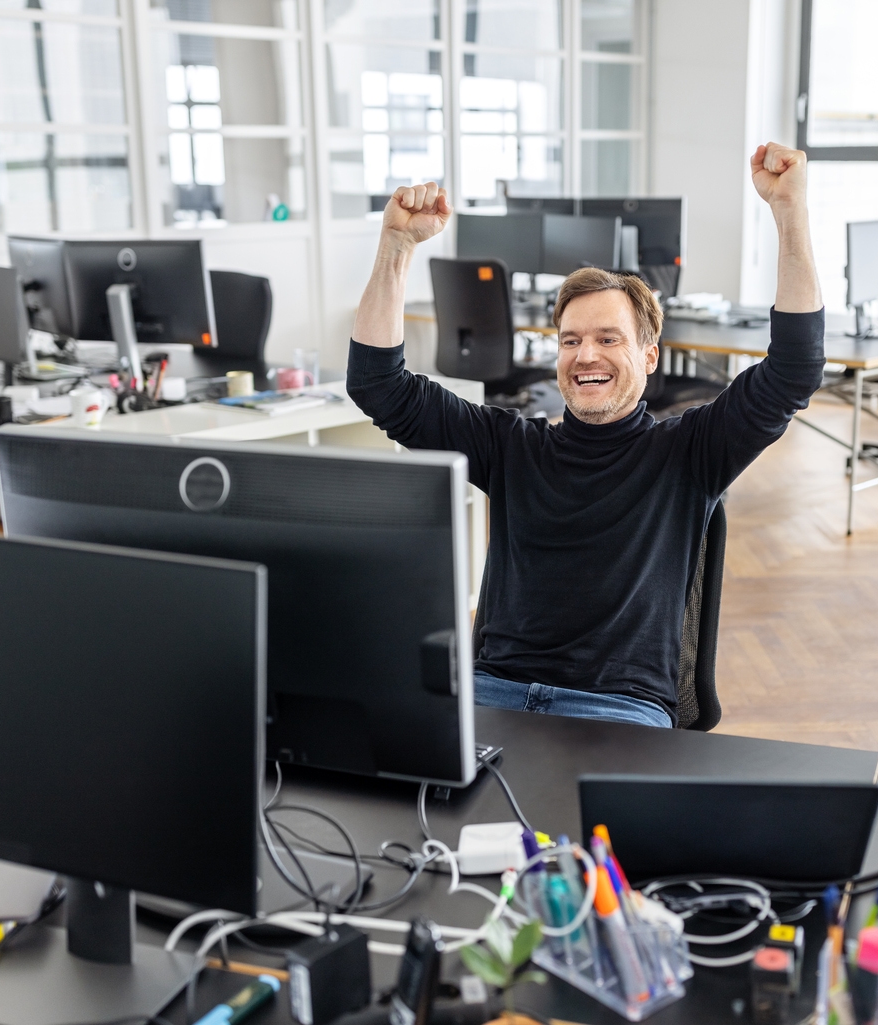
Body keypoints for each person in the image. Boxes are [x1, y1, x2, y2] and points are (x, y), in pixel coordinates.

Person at [347, 142, 826, 729]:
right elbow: (378, 385)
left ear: (650, 357)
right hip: (493, 693)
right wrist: (396, 246)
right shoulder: (510, 447)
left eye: (608, 338)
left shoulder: (690, 453)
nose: (585, 355)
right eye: (570, 341)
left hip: (618, 708)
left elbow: (794, 370)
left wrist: (789, 214)